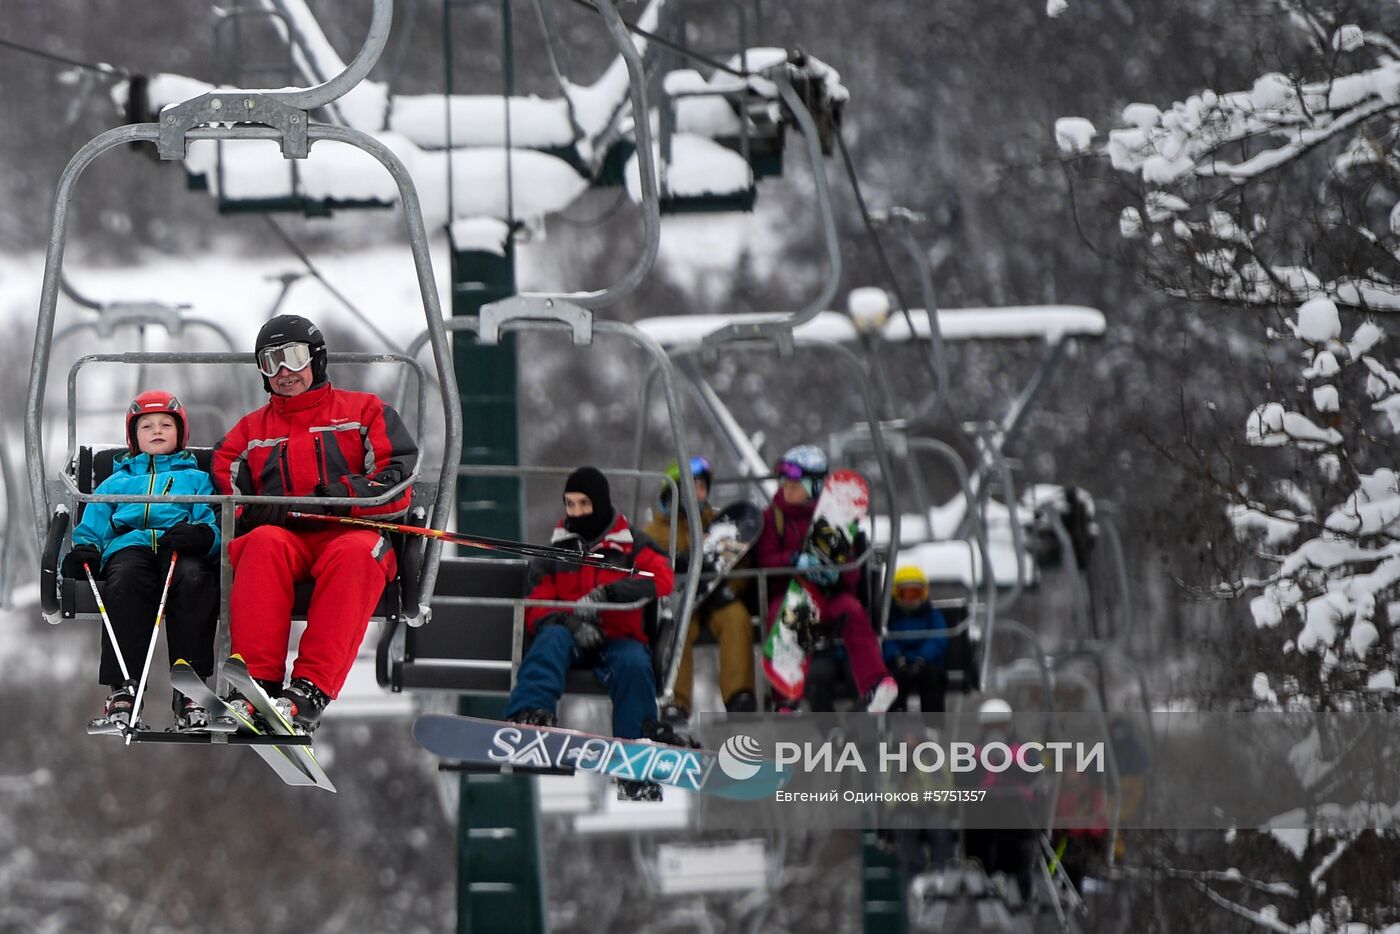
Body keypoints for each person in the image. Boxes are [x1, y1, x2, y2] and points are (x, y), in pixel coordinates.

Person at [211, 315, 417, 733]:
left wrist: (335, 499)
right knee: (261, 543)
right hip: (288, 541)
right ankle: (257, 685)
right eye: (271, 363)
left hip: (352, 533)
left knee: (357, 554)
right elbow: (223, 492)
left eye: (293, 358)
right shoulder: (250, 432)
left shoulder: (364, 412)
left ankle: (310, 690)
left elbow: (395, 484)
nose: (284, 373)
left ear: (317, 359)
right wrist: (253, 511)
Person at [504, 468, 676, 797]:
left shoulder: (632, 547)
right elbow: (536, 603)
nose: (577, 512)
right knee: (550, 639)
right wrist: (570, 622)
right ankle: (531, 717)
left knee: (634, 664)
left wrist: (609, 595)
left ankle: (635, 758)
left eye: (584, 504)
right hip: (571, 640)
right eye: (570, 505)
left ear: (600, 503)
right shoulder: (556, 550)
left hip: (619, 639)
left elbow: (661, 578)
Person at [62, 391, 221, 731]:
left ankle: (190, 689)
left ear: (181, 433)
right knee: (125, 583)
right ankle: (124, 690)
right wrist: (85, 548)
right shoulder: (116, 481)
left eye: (166, 424)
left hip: (179, 544)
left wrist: (202, 537)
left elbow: (212, 521)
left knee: (193, 579)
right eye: (146, 426)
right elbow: (94, 523)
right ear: (133, 437)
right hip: (129, 547)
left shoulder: (197, 479)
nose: (157, 431)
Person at [754, 444, 896, 712]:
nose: (787, 488)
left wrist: (835, 573)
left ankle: (876, 683)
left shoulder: (837, 520)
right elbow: (765, 559)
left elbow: (852, 572)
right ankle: (784, 695)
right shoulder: (774, 518)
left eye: (795, 483)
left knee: (852, 611)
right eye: (785, 482)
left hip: (829, 597)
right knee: (781, 614)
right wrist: (793, 561)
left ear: (815, 485)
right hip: (790, 593)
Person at [641, 456, 756, 723]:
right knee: (675, 631)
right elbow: (648, 567)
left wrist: (731, 588)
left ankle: (739, 695)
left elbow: (739, 561)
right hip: (680, 605)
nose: (698, 493)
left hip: (713, 600)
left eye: (702, 486)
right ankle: (675, 702)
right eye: (691, 486)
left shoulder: (719, 524)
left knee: (736, 617)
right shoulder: (656, 531)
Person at [884, 565, 952, 713]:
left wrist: (923, 658)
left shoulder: (932, 614)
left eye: (915, 593)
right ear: (897, 594)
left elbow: (939, 638)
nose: (910, 599)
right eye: (905, 594)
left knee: (933, 678)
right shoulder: (890, 616)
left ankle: (932, 726)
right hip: (899, 664)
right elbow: (884, 638)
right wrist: (896, 656)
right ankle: (893, 722)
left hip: (926, 664)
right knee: (890, 682)